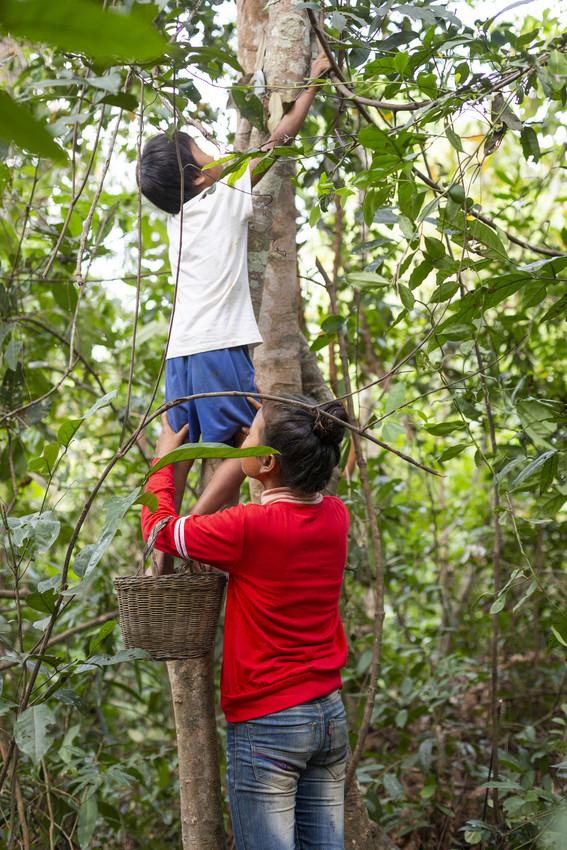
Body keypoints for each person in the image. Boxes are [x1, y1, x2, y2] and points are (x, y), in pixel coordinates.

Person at [139, 51, 331, 574]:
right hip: (217, 345)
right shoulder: (220, 196)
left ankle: (160, 531)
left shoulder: (180, 219)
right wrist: (312, 81)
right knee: (258, 427)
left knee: (175, 439)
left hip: (180, 350)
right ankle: (186, 532)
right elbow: (280, 138)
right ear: (198, 176)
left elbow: (234, 155)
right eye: (199, 149)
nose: (212, 150)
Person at [141, 397, 350, 850]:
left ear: (269, 463)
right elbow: (280, 485)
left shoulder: (249, 528)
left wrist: (162, 460)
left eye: (249, 438)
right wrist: (264, 438)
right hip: (328, 715)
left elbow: (160, 530)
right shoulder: (335, 514)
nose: (241, 445)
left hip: (270, 723)